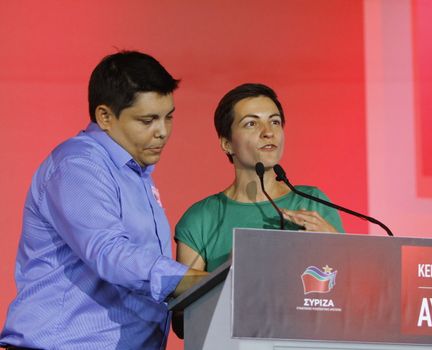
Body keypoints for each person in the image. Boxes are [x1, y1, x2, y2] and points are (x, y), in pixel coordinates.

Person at [0, 51, 206, 349]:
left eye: (168, 117)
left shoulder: (134, 172)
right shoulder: (78, 165)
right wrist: (195, 280)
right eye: (147, 120)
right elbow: (109, 252)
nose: (162, 132)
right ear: (105, 116)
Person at [175, 83, 344, 272]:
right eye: (251, 123)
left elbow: (346, 284)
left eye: (275, 122)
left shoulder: (313, 203)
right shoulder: (201, 218)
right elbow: (190, 299)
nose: (268, 132)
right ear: (226, 144)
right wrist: (230, 271)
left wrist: (337, 245)